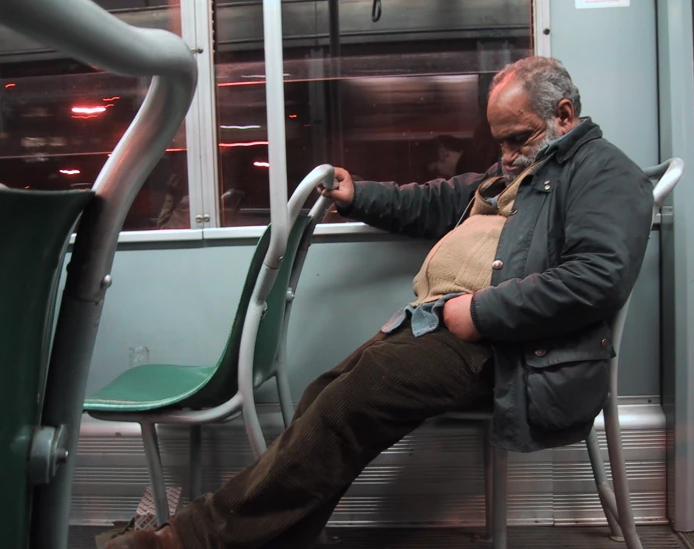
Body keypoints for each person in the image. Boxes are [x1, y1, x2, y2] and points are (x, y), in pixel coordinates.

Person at [105, 56, 654, 549]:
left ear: (563, 114)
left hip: (504, 347)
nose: (506, 156)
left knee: (348, 405)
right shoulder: (522, 172)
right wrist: (357, 193)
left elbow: (596, 279)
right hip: (441, 324)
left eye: (518, 139)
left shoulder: (604, 172)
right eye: (500, 142)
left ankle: (185, 541)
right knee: (325, 396)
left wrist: (479, 314)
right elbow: (437, 201)